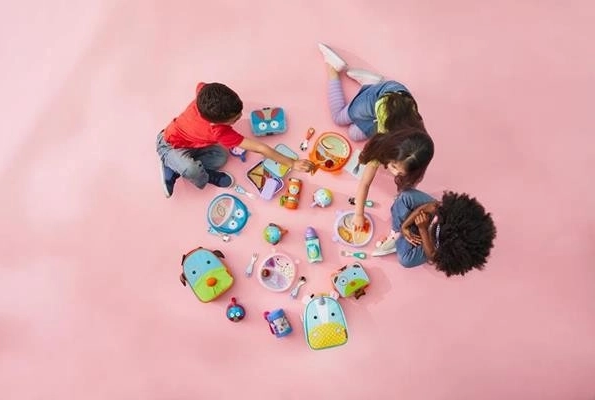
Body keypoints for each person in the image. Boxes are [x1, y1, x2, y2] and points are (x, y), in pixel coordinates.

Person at [317, 43, 434, 244]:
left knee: (354, 134)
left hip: (395, 110)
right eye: (394, 166)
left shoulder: (419, 147)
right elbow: (365, 182)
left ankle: (370, 83)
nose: (393, 172)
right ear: (391, 147)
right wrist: (358, 214)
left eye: (398, 170)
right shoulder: (386, 142)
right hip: (381, 98)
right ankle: (334, 68)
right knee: (338, 118)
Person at [156, 82, 314, 197]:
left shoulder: (204, 91)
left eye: (240, 112)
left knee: (221, 157)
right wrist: (292, 163)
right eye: (234, 119)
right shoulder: (220, 132)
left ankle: (180, 165)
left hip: (195, 144)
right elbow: (260, 148)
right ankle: (173, 166)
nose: (240, 117)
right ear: (217, 123)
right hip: (169, 145)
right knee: (192, 170)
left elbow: (201, 85)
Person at [373, 188, 497, 277]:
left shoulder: (445, 252)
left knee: (406, 260)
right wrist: (404, 227)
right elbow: (427, 208)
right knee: (405, 197)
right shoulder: (442, 210)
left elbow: (432, 254)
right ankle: (398, 232)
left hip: (427, 239)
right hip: (426, 217)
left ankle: (399, 237)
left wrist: (422, 229)